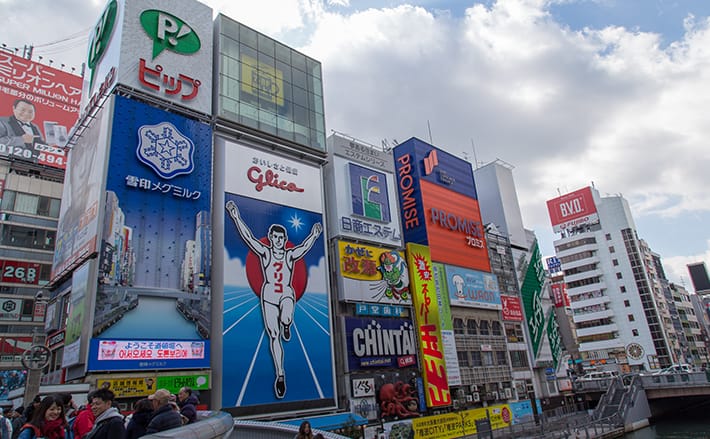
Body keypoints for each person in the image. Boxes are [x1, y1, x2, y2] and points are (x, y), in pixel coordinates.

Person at [226, 200, 322, 399]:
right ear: (270, 238)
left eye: (281, 237)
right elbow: (248, 238)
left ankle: (287, 323)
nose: (278, 240)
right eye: (275, 237)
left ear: (284, 239)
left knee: (286, 317)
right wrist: (236, 216)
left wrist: (314, 234)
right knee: (273, 335)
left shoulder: (289, 255)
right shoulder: (265, 253)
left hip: (286, 293)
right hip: (269, 295)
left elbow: (304, 247)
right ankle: (280, 374)